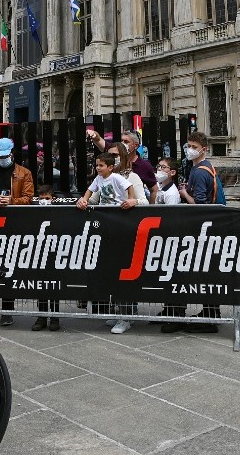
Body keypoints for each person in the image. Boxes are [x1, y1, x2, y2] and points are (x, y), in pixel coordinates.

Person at [162, 131, 225, 333]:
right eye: (188, 145)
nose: (189, 150)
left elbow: (200, 204)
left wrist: (183, 193)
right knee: (207, 273)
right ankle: (210, 312)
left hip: (203, 229)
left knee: (201, 272)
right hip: (212, 227)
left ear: (203, 149)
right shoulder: (207, 168)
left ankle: (209, 314)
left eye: (193, 146)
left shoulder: (199, 171)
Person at [77, 152, 138, 334]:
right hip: (107, 227)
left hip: (120, 225)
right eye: (97, 165)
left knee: (120, 271)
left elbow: (130, 188)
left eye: (101, 166)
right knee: (110, 271)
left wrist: (131, 200)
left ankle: (126, 316)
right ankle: (123, 313)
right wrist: (83, 200)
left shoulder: (117, 178)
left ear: (110, 167)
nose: (97, 168)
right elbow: (90, 190)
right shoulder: (98, 179)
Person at [0, 138, 36, 326]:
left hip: (13, 225)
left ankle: (7, 310)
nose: (2, 160)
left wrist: (11, 201)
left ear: (12, 154)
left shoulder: (24, 173)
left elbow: (28, 197)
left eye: (5, 156)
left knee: (8, 266)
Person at [29, 185, 61, 331]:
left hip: (54, 254)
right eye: (41, 199)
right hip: (39, 254)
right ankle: (41, 317)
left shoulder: (59, 213)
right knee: (40, 286)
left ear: (53, 199)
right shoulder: (34, 213)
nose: (44, 201)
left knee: (54, 286)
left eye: (47, 199)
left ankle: (55, 318)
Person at [89, 129, 156, 190]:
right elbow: (98, 140)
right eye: (122, 141)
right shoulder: (113, 150)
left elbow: (153, 190)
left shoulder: (144, 166)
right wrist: (93, 134)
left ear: (136, 145)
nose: (123, 144)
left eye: (126, 142)